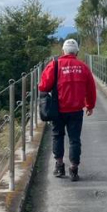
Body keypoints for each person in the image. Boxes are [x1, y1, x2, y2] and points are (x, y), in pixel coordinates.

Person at [38, 39, 96, 182]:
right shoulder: (83, 67)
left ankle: (59, 166)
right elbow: (91, 89)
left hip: (58, 109)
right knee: (74, 139)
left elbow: (43, 86)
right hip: (76, 110)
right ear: (76, 52)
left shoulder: (54, 65)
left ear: (63, 51)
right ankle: (74, 169)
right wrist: (90, 105)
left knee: (57, 136)